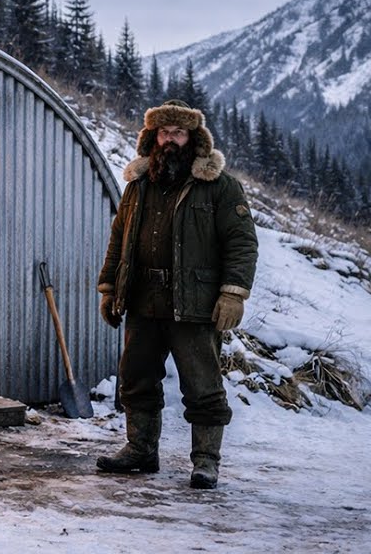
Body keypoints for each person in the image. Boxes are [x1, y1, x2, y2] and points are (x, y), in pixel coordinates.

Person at [95, 99, 258, 489]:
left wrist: (233, 294)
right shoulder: (138, 186)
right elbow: (119, 239)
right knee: (135, 380)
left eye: (178, 132)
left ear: (194, 138)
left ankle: (205, 462)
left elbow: (242, 243)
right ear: (153, 136)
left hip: (194, 304)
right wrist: (108, 288)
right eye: (164, 132)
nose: (170, 139)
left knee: (202, 386)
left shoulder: (219, 186)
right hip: (143, 299)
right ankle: (140, 449)